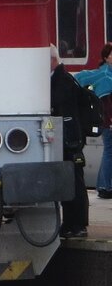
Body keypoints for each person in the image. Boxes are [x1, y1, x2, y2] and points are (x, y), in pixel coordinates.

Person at [51, 45, 88, 237]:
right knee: (72, 181)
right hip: (70, 138)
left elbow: (62, 112)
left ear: (51, 60)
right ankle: (72, 224)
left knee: (73, 182)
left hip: (69, 140)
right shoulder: (65, 80)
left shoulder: (61, 82)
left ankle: (77, 225)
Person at [76, 43, 112, 200]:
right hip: (109, 121)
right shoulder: (105, 76)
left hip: (107, 120)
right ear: (106, 57)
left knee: (109, 152)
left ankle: (102, 185)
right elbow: (107, 102)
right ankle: (105, 186)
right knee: (109, 152)